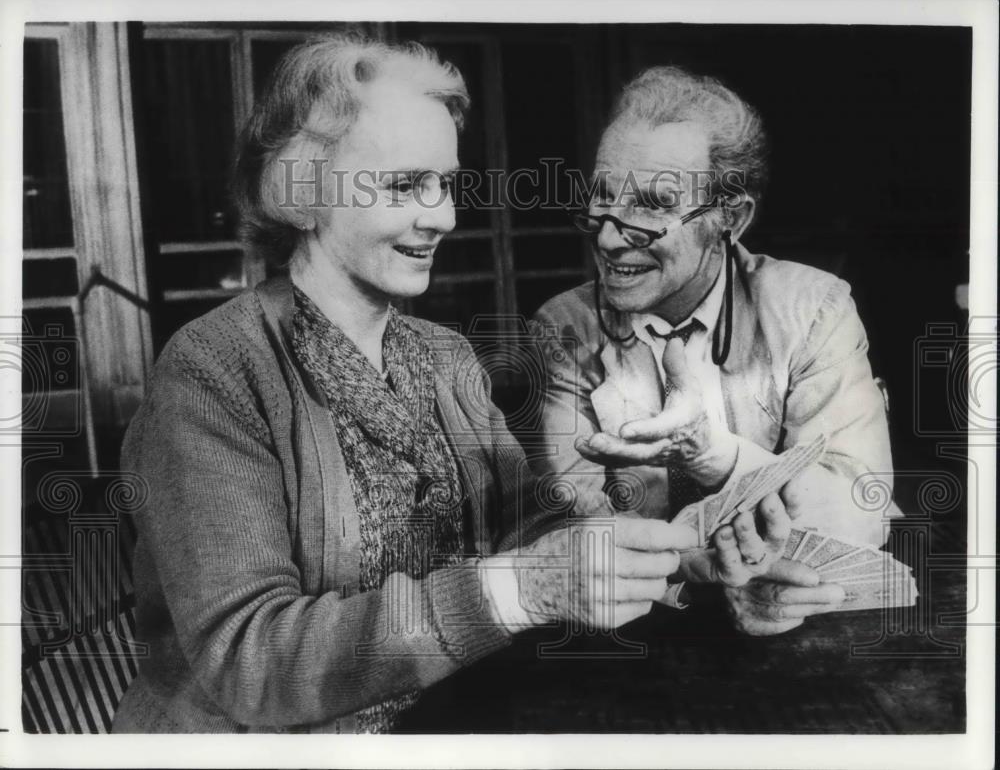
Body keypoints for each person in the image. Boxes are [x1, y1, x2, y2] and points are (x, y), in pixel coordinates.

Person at [112, 36, 766, 734]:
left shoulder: (445, 355)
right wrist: (526, 586)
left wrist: (675, 558)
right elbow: (253, 663)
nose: (445, 217)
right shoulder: (214, 369)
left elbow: (530, 518)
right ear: (303, 193)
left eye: (447, 183)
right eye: (404, 185)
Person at [531, 65, 901, 636]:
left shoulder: (815, 309)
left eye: (653, 205)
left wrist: (713, 453)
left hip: (799, 631)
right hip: (634, 635)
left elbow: (860, 507)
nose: (608, 236)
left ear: (731, 217)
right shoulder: (565, 327)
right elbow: (570, 532)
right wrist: (694, 572)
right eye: (603, 198)